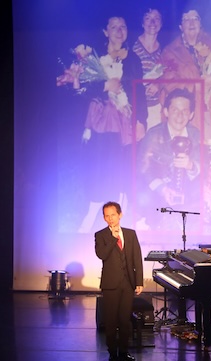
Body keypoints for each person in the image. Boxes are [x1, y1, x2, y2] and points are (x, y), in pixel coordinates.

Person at [77, 16, 148, 233]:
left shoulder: (132, 59)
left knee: (122, 168)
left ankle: (119, 221)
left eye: (123, 26)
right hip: (101, 123)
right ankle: (92, 217)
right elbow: (81, 89)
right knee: (99, 167)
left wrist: (141, 120)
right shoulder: (94, 57)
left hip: (125, 123)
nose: (119, 31)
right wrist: (104, 86)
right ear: (105, 31)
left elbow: (139, 91)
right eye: (114, 27)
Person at [159, 8, 211, 140]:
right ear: (180, 26)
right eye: (186, 19)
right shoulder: (170, 51)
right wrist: (195, 87)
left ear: (201, 24)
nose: (191, 22)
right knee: (194, 152)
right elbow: (168, 82)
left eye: (195, 18)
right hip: (189, 112)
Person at [135, 88, 201, 231]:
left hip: (186, 186)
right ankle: (148, 223)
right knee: (144, 198)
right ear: (166, 112)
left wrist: (191, 165)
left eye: (185, 111)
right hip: (159, 186)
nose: (179, 115)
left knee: (198, 198)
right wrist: (162, 189)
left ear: (191, 115)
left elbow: (202, 165)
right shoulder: (153, 134)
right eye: (175, 110)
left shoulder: (195, 134)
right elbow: (142, 167)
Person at [95, 201, 144, 361]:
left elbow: (137, 258)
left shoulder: (130, 234)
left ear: (120, 215)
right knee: (111, 320)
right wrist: (113, 238)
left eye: (113, 215)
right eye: (106, 216)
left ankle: (123, 351)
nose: (110, 219)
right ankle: (112, 352)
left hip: (128, 283)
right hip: (110, 283)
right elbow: (102, 255)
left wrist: (139, 281)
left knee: (125, 320)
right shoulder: (100, 235)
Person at [132, 7, 164, 129]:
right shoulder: (131, 46)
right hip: (134, 106)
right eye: (148, 18)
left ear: (161, 24)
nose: (152, 23)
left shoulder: (165, 50)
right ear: (142, 23)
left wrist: (158, 84)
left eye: (156, 19)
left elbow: (169, 73)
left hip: (156, 107)